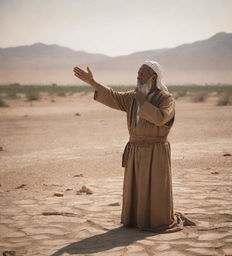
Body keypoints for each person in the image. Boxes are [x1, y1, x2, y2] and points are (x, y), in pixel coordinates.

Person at [73, 60, 196, 233]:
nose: (139, 76)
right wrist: (92, 82)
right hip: (135, 149)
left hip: (156, 150)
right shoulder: (132, 97)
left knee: (156, 187)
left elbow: (161, 118)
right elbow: (112, 95)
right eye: (138, 73)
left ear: (154, 77)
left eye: (143, 74)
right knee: (135, 187)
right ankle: (136, 219)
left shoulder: (165, 98)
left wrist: (143, 102)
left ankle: (157, 220)